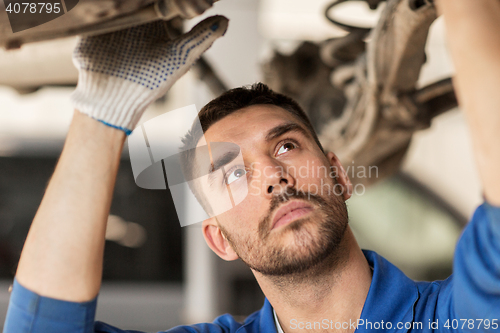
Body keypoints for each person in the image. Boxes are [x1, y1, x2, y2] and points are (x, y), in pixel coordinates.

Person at [3, 0, 500, 332]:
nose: (272, 176)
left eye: (285, 147)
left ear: (339, 175)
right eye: (232, 174)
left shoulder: (455, 318)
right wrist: (102, 114)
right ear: (218, 239)